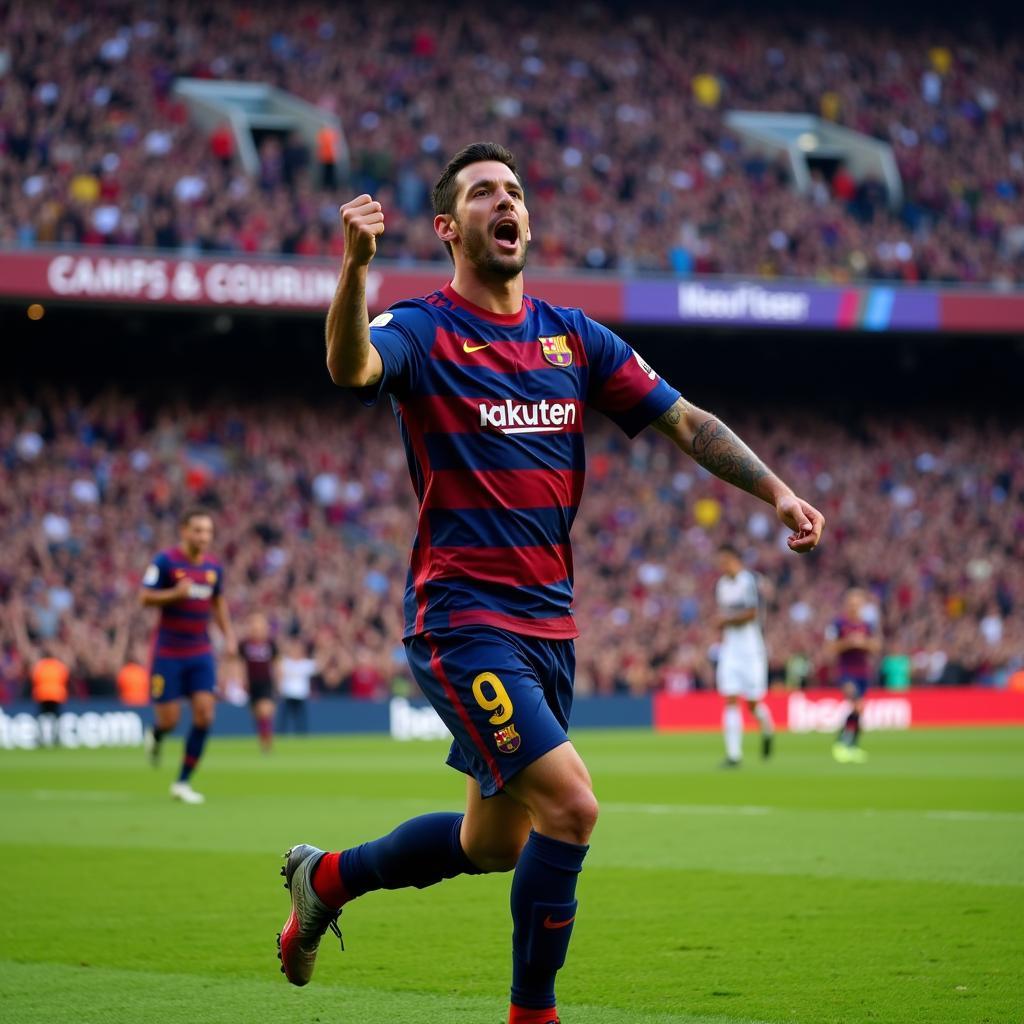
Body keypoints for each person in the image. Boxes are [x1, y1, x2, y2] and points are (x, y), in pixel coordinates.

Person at [277, 141, 824, 1024]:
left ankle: (325, 877)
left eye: (517, 192)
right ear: (450, 227)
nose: (509, 203)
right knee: (572, 806)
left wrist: (777, 490)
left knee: (490, 845)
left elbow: (684, 420)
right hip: (462, 620)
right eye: (487, 192)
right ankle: (533, 1012)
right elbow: (351, 369)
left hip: (549, 629)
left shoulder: (574, 337)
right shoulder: (422, 327)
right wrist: (353, 270)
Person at [139, 508, 237, 804]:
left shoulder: (213, 568)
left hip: (200, 650)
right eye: (198, 530)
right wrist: (173, 594)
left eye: (208, 531)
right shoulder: (165, 561)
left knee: (205, 714)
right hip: (168, 652)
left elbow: (218, 603)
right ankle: (157, 734)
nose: (203, 537)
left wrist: (228, 635)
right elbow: (144, 597)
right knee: (170, 719)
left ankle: (182, 782)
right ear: (184, 531)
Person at [714, 543, 774, 767]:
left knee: (752, 703)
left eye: (726, 561)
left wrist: (725, 621)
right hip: (730, 649)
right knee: (730, 698)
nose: (723, 566)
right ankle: (733, 755)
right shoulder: (721, 585)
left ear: (736, 561)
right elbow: (725, 613)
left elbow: (751, 613)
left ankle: (767, 727)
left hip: (751, 650)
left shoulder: (749, 581)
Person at [827, 588, 880, 763]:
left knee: (860, 708)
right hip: (845, 671)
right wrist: (848, 642)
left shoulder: (867, 625)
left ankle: (852, 745)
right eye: (851, 604)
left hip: (863, 671)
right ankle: (842, 743)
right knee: (857, 705)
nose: (854, 607)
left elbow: (876, 646)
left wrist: (863, 642)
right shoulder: (838, 624)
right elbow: (830, 648)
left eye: (857, 604)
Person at [241, 613, 278, 753]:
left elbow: (276, 663)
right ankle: (263, 739)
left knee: (265, 711)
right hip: (252, 684)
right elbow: (240, 663)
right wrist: (241, 679)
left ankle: (267, 744)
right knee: (257, 715)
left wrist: (278, 682)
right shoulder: (244, 644)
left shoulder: (271, 644)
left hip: (266, 683)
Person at [277, 636, 318, 735]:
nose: (296, 652)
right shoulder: (285, 662)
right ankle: (281, 735)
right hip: (288, 694)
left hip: (301, 695)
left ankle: (302, 736)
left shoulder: (306, 663)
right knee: (284, 719)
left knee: (301, 719)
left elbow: (318, 666)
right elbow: (278, 672)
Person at [31, 647, 70, 747]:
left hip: (42, 695)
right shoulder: (59, 665)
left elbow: (34, 678)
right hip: (56, 695)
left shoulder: (39, 665)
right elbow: (65, 678)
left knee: (40, 718)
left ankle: (40, 738)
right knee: (56, 719)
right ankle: (56, 738)